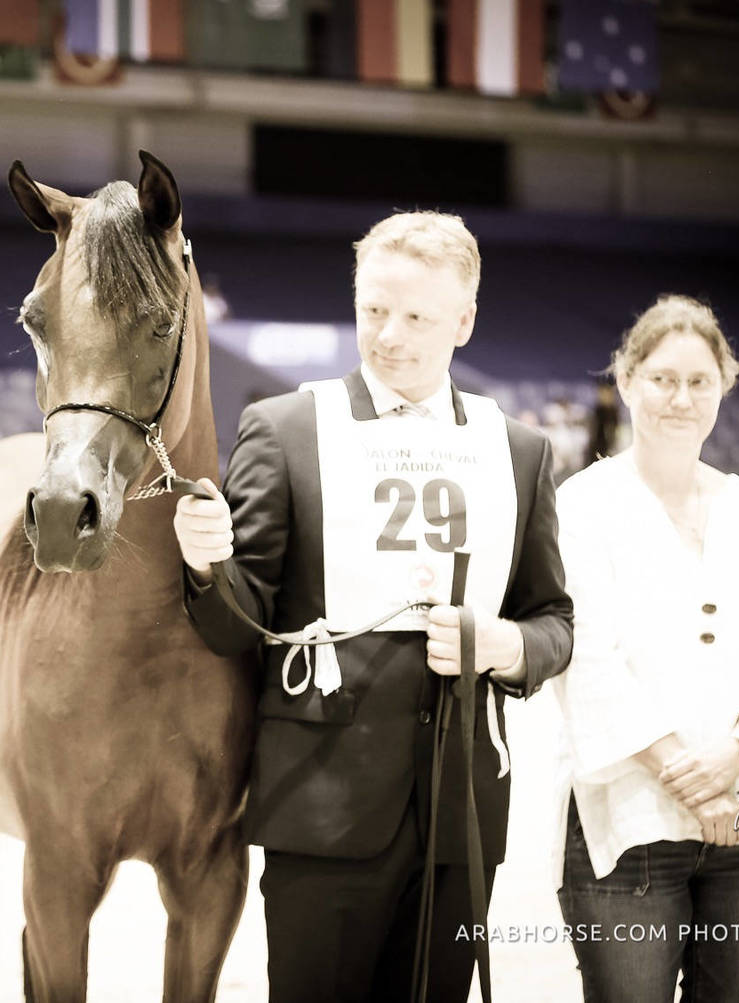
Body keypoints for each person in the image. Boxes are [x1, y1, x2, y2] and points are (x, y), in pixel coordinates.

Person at [172, 210, 574, 1001]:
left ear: (464, 321)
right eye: (372, 309)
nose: (388, 335)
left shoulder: (518, 451)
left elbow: (553, 621)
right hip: (318, 807)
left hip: (461, 810)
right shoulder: (285, 429)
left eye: (417, 315)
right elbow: (234, 621)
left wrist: (502, 646)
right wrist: (203, 562)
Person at [549, 295, 739, 1002]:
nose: (680, 397)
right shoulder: (583, 504)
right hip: (629, 829)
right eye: (663, 378)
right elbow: (590, 661)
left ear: (724, 386)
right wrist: (686, 774)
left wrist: (738, 754)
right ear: (628, 378)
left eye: (700, 380)